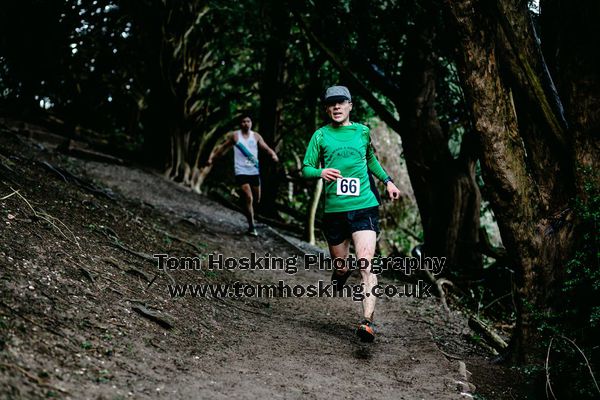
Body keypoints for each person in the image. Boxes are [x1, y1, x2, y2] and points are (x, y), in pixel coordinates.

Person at [302, 86, 401, 342]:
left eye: (341, 103)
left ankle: (367, 322)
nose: (336, 107)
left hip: (363, 206)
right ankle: (339, 276)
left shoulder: (362, 132)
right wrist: (320, 173)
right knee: (341, 266)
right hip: (335, 211)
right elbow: (306, 168)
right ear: (327, 108)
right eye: (331, 104)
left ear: (350, 105)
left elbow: (371, 161)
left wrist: (388, 181)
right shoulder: (320, 135)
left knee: (366, 264)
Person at [207, 114, 279, 236]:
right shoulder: (235, 136)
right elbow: (222, 148)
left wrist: (273, 154)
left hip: (254, 171)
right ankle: (251, 226)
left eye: (248, 121)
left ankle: (248, 211)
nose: (246, 123)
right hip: (241, 171)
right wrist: (212, 158)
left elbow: (266, 148)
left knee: (257, 199)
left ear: (251, 123)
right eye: (243, 121)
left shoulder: (255, 136)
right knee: (248, 197)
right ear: (240, 124)